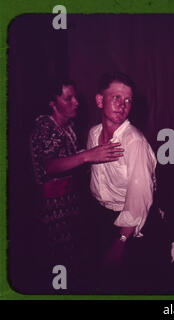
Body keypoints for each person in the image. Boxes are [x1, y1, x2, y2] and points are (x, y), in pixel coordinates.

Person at [30, 78, 124, 292]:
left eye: (75, 96)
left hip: (71, 203)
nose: (76, 102)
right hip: (52, 208)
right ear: (52, 103)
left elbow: (75, 160)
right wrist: (88, 156)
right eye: (68, 98)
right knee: (58, 262)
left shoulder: (69, 127)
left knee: (74, 260)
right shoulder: (45, 127)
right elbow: (50, 166)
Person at [87, 72, 165, 293]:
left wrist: (121, 240)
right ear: (100, 100)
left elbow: (138, 198)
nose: (123, 105)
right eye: (116, 98)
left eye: (128, 100)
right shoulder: (93, 134)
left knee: (133, 284)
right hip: (102, 216)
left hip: (132, 226)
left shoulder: (134, 142)